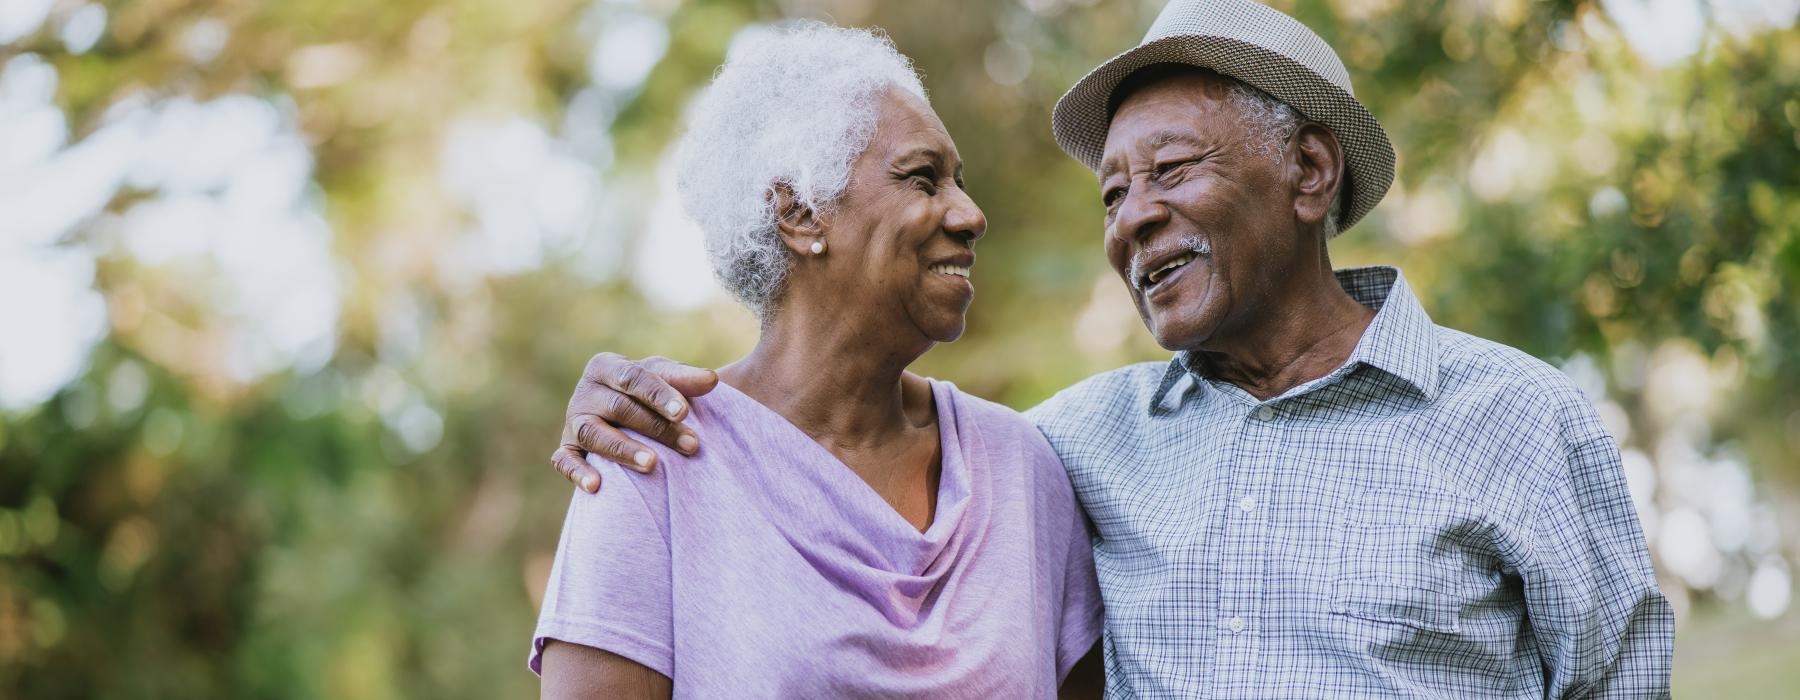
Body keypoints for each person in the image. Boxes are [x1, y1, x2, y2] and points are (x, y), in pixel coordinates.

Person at [551, 1, 1674, 697]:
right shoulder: (1072, 449)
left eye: (1172, 171)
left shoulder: (1524, 421)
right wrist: (616, 393)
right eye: (1112, 192)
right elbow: (820, 447)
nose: (1130, 218)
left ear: (1310, 175)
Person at [529, 23, 1104, 700]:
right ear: (800, 212)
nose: (971, 215)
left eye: (960, 182)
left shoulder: (1021, 469)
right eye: (924, 180)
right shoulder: (654, 463)